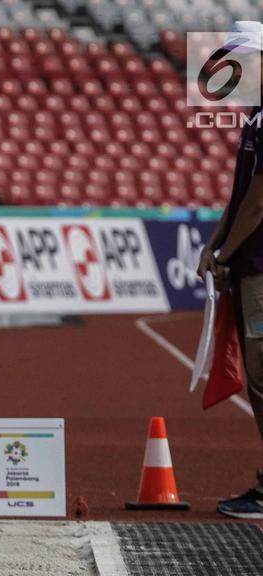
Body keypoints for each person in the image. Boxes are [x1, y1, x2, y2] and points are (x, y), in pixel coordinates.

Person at [198, 20, 263, 518]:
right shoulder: (254, 118)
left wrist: (224, 252)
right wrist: (216, 242)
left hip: (260, 267)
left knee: (261, 376)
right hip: (249, 262)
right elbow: (241, 198)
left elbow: (259, 204)